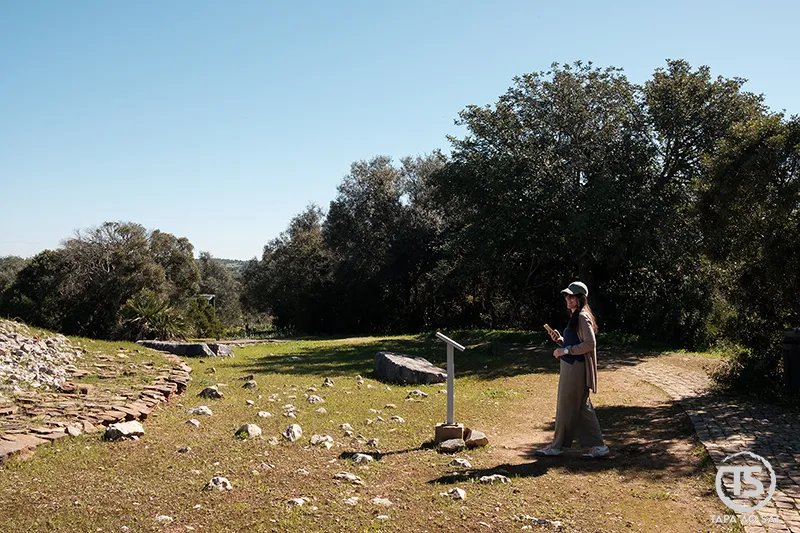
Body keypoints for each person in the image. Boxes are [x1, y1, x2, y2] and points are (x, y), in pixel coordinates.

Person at [535, 281, 609, 458]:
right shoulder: (576, 315)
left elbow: (590, 344)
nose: (568, 299)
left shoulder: (582, 316)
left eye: (572, 296)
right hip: (571, 366)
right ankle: (597, 447)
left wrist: (565, 350)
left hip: (575, 368)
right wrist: (560, 340)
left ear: (580, 298)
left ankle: (557, 446)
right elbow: (576, 342)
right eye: (567, 296)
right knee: (581, 406)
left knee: (566, 406)